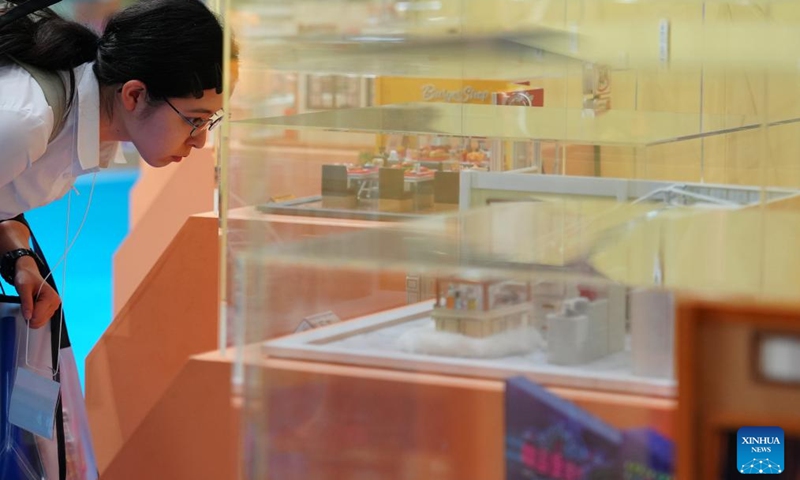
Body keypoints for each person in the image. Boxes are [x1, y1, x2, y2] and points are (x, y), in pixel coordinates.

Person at [0, 0, 229, 328]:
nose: (200, 140)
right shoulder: (24, 122)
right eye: (194, 120)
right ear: (134, 95)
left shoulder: (82, 114)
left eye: (212, 120)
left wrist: (18, 257)